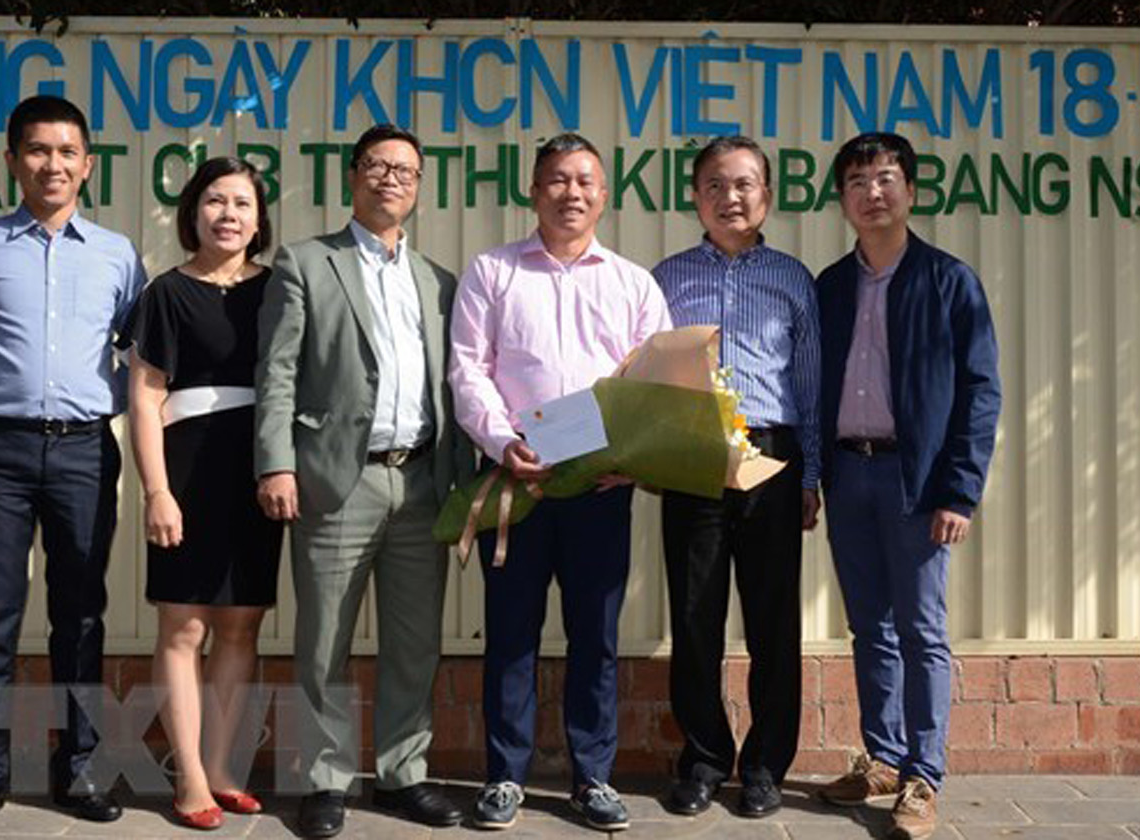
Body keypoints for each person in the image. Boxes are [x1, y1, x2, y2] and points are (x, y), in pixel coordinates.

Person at [0, 95, 146, 833]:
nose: (53, 164)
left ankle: (78, 771)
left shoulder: (116, 253)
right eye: (37, 150)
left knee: (80, 614)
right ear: (12, 160)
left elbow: (139, 356)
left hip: (83, 451)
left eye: (67, 151)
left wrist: (101, 401)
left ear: (87, 163)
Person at [448, 133, 672, 833]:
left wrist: (631, 454)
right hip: (517, 485)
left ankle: (593, 776)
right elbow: (467, 369)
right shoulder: (493, 271)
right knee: (511, 635)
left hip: (602, 488)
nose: (570, 193)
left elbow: (657, 383)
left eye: (584, 181)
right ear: (533, 189)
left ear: (604, 195)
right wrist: (501, 441)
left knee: (594, 637)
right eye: (556, 180)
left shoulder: (633, 282)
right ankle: (505, 777)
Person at [254, 124, 471, 839]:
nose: (390, 179)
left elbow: (455, 386)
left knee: (415, 642)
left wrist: (465, 488)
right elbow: (278, 371)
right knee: (324, 640)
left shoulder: (438, 281)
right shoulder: (305, 263)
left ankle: (405, 774)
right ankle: (324, 779)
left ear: (417, 186)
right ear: (353, 176)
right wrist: (276, 462)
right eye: (377, 166)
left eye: (405, 170)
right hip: (334, 482)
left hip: (419, 483)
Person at [815, 132, 1001, 840]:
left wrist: (960, 491)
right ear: (842, 199)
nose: (872, 193)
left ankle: (925, 774)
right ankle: (882, 757)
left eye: (886, 178)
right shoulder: (831, 284)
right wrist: (814, 475)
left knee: (922, 629)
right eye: (858, 182)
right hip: (848, 471)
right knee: (870, 627)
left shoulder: (949, 280)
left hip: (916, 480)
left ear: (911, 190)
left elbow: (981, 392)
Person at [652, 136, 820, 819]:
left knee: (773, 621)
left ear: (767, 196)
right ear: (695, 196)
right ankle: (703, 759)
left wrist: (811, 473)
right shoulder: (664, 278)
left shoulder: (792, 278)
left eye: (746, 184)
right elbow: (645, 376)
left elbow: (808, 383)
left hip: (772, 458)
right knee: (694, 618)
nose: (731, 197)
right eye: (716, 185)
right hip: (692, 456)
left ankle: (765, 764)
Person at [123, 157, 284, 830]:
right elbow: (143, 395)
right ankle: (187, 776)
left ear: (259, 220)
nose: (228, 214)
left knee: (241, 625)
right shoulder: (166, 292)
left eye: (241, 204)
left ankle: (221, 768)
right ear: (193, 212)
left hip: (258, 472)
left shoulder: (277, 290)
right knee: (184, 624)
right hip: (186, 471)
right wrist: (156, 491)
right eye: (215, 201)